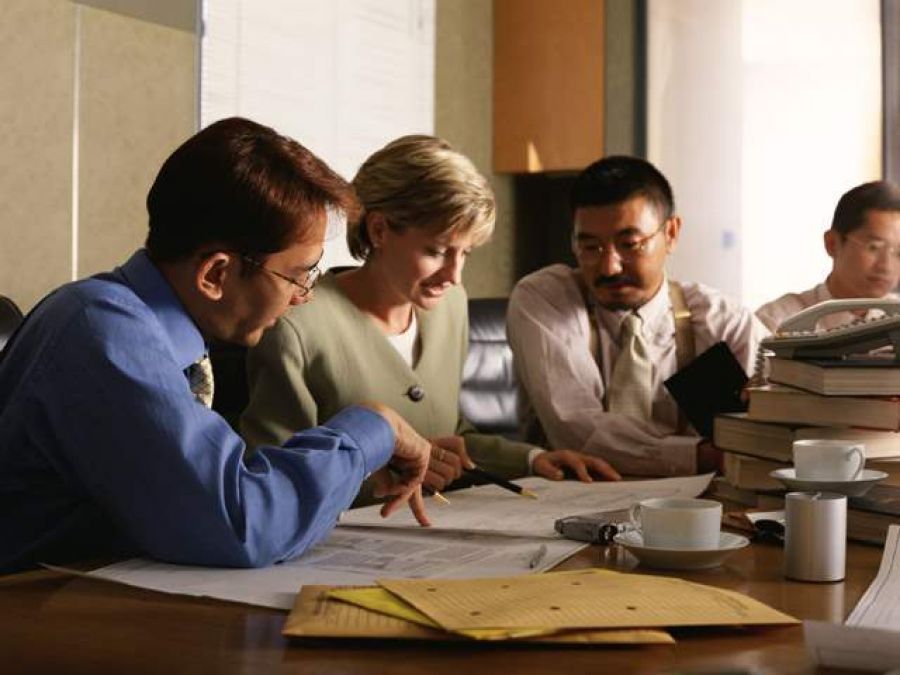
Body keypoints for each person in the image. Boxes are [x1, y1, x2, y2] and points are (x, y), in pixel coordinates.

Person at [0, 118, 435, 575]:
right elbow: (244, 525)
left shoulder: (153, 329)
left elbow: (215, 489)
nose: (303, 296)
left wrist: (345, 472)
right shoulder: (104, 332)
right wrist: (372, 428)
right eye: (298, 275)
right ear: (215, 274)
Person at [241, 135, 619, 502]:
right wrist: (378, 480)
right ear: (379, 229)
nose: (454, 276)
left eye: (465, 253)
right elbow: (275, 480)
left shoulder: (450, 306)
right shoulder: (296, 326)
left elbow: (448, 435)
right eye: (437, 251)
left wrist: (533, 459)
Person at [506, 155, 768, 477]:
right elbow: (575, 428)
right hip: (565, 499)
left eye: (629, 244)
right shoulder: (546, 299)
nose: (609, 267)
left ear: (671, 233)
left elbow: (773, 426)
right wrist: (702, 456)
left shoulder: (722, 322)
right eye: (591, 248)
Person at [756, 180, 900, 332]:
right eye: (874, 247)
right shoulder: (776, 322)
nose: (886, 266)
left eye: (899, 253)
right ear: (832, 243)